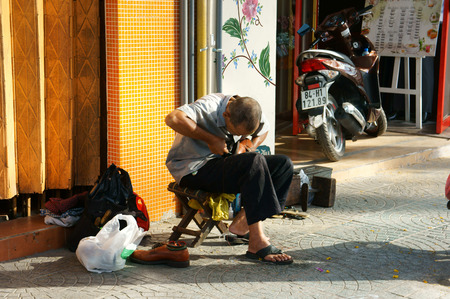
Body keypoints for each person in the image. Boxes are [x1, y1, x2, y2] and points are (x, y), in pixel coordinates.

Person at [165, 93, 294, 265]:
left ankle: (241, 224)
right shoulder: (209, 107)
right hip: (193, 168)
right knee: (254, 162)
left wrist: (248, 143)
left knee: (283, 164)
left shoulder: (249, 109)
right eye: (235, 132)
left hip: (221, 164)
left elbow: (264, 129)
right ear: (226, 115)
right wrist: (211, 139)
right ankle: (257, 242)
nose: (236, 136)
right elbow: (172, 118)